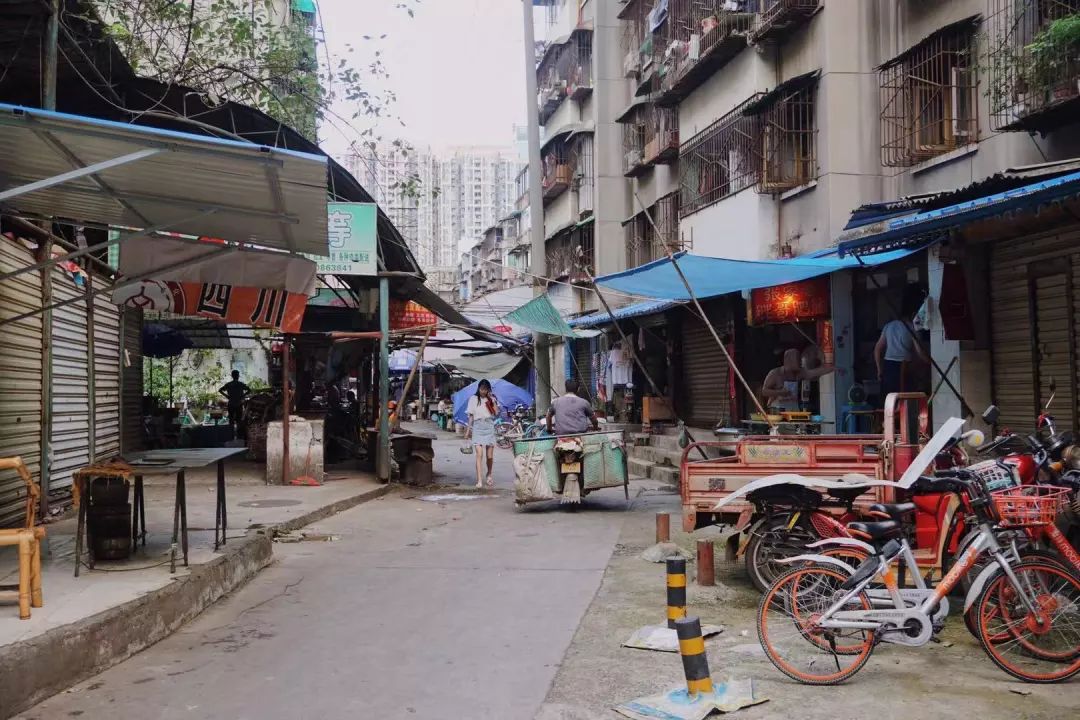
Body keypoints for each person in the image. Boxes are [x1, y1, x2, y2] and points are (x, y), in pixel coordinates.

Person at [875, 295, 929, 403]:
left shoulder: (888, 326)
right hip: (904, 368)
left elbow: (877, 349)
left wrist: (879, 370)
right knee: (905, 401)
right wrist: (930, 363)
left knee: (889, 401)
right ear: (913, 314)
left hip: (888, 367)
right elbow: (920, 352)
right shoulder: (912, 328)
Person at [762, 348, 835, 412]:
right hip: (777, 410)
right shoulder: (775, 373)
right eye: (797, 359)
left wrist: (833, 368)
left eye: (799, 359)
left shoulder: (799, 373)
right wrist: (780, 392)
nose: (799, 362)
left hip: (793, 409)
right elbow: (764, 391)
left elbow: (815, 372)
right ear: (788, 360)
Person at [465, 379, 500, 488]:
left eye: (485, 389)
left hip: (489, 426)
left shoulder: (491, 399)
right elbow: (471, 416)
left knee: (489, 456)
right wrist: (468, 430)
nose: (483, 391)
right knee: (479, 454)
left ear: (488, 390)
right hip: (478, 427)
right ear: (478, 388)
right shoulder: (473, 399)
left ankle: (489, 474)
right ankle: (479, 480)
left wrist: (492, 400)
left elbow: (496, 413)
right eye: (481, 389)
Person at [219, 370, 249, 437]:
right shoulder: (240, 384)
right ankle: (239, 434)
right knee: (239, 419)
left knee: (231, 419)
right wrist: (242, 395)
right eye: (238, 375)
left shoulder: (229, 384)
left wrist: (227, 396)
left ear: (232, 376)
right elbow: (249, 390)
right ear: (238, 376)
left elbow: (220, 390)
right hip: (239, 403)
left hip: (231, 403)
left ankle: (231, 434)